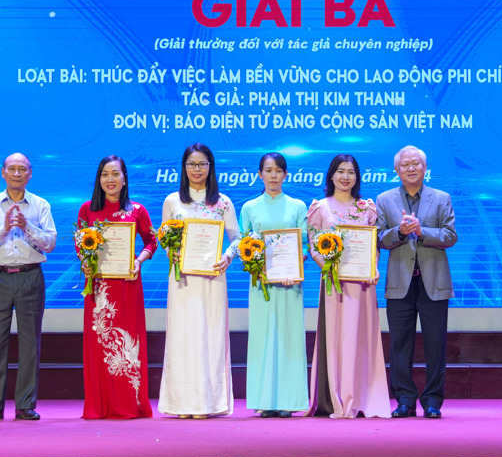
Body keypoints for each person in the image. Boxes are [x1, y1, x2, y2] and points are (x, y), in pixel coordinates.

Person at [220, 152, 308, 417]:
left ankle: (289, 403)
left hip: (290, 284)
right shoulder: (250, 207)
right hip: (261, 285)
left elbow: (303, 244)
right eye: (268, 170)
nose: (273, 176)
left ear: (285, 175)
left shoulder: (297, 206)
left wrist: (297, 264)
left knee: (289, 340)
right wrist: (229, 254)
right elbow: (242, 241)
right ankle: (265, 401)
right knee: (263, 339)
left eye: (278, 170)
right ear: (259, 175)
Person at [306, 154, 391, 419]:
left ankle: (363, 397)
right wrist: (328, 267)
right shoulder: (320, 207)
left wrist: (373, 267)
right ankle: (338, 398)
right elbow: (313, 244)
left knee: (361, 339)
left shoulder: (367, 208)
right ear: (331, 175)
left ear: (357, 177)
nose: (346, 177)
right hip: (334, 284)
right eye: (340, 171)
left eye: (351, 172)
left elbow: (372, 246)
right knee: (338, 338)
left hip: (362, 286)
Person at [157, 143, 239, 418]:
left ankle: (207, 402)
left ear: (210, 167)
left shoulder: (223, 202)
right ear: (184, 167)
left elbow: (236, 238)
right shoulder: (172, 201)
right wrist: (174, 252)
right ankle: (181, 403)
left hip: (212, 278)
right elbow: (164, 238)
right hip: (182, 280)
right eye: (191, 164)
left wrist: (227, 257)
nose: (197, 169)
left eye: (202, 164)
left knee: (210, 336)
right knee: (183, 336)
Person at [0, 153, 57, 421]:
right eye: (12, 169)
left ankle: (25, 405)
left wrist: (27, 226)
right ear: (3, 172)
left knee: (30, 343)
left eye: (23, 169)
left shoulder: (41, 205)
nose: (17, 174)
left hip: (30, 276)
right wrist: (4, 229)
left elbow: (51, 243)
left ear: (30, 174)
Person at [375, 145, 457, 419]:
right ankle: (404, 400)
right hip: (400, 282)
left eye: (416, 164)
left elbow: (450, 236)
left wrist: (423, 232)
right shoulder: (385, 199)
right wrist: (399, 232)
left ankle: (432, 401)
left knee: (436, 345)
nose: (411, 168)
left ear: (425, 168)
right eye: (405, 165)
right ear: (397, 170)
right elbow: (377, 239)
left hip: (434, 282)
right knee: (400, 344)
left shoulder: (441, 197)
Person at [76, 155, 156, 419]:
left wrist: (138, 259)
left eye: (115, 174)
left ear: (124, 179)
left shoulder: (138, 211)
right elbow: (81, 245)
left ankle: (129, 403)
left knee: (128, 344)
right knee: (101, 344)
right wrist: (85, 264)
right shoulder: (87, 210)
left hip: (128, 287)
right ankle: (100, 406)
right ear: (99, 180)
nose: (110, 180)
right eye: (104, 175)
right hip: (99, 290)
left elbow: (151, 242)